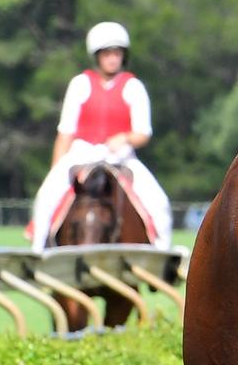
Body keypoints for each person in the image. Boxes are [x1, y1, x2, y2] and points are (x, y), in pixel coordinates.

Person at [28, 21, 173, 252]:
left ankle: (163, 255)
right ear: (97, 56)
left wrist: (125, 138)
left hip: (121, 158)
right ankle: (38, 252)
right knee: (45, 198)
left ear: (123, 55)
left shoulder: (133, 87)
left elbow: (143, 133)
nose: (112, 59)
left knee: (160, 203)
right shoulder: (79, 84)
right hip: (81, 155)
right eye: (107, 54)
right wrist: (56, 170)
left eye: (117, 53)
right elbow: (65, 133)